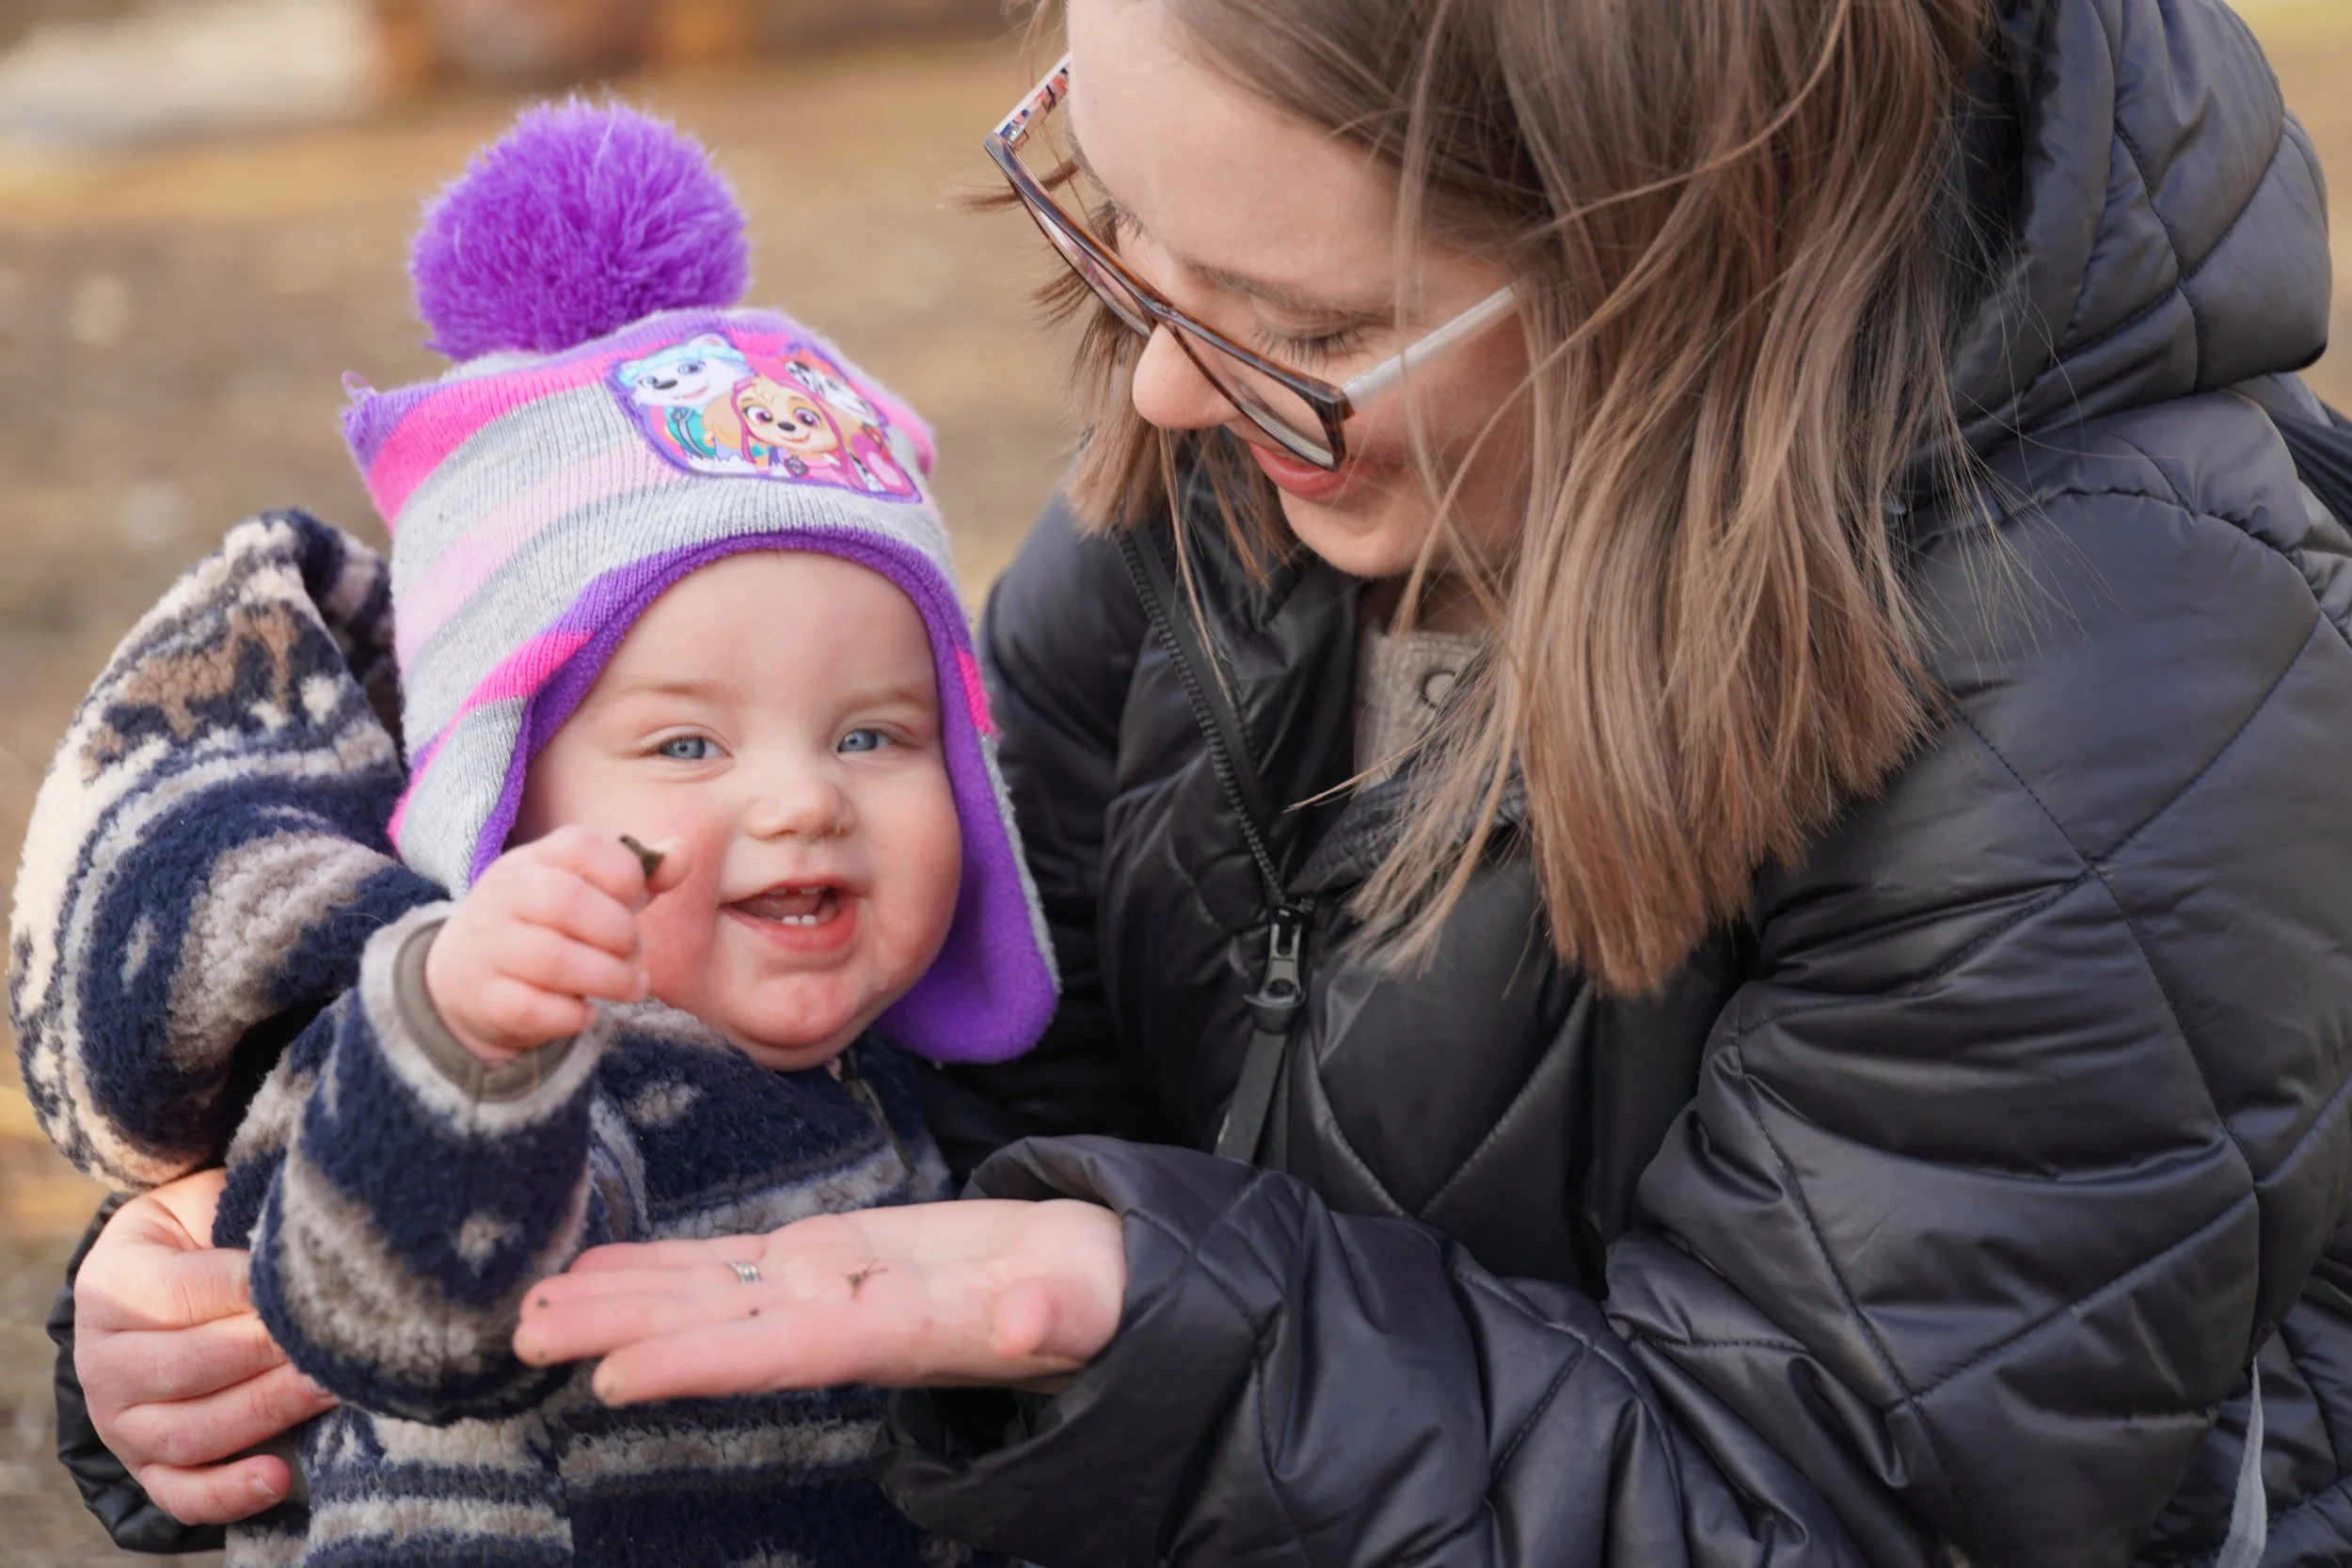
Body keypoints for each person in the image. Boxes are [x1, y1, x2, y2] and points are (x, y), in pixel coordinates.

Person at [27, 0, 2352, 1560]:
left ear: (1667, 255)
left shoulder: (2115, 669)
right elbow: (888, 1028)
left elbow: (1846, 1497)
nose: (1150, 396)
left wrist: (1145, 1326)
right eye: (1116, 232)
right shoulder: (1264, 442)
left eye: (1305, 325)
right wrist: (320, 1255)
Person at [13, 101, 1057, 1566]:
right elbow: (421, 1318)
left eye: (874, 735)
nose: (802, 798)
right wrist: (465, 1043)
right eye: (687, 743)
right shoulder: (524, 1059)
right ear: (494, 802)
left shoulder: (881, 1078)